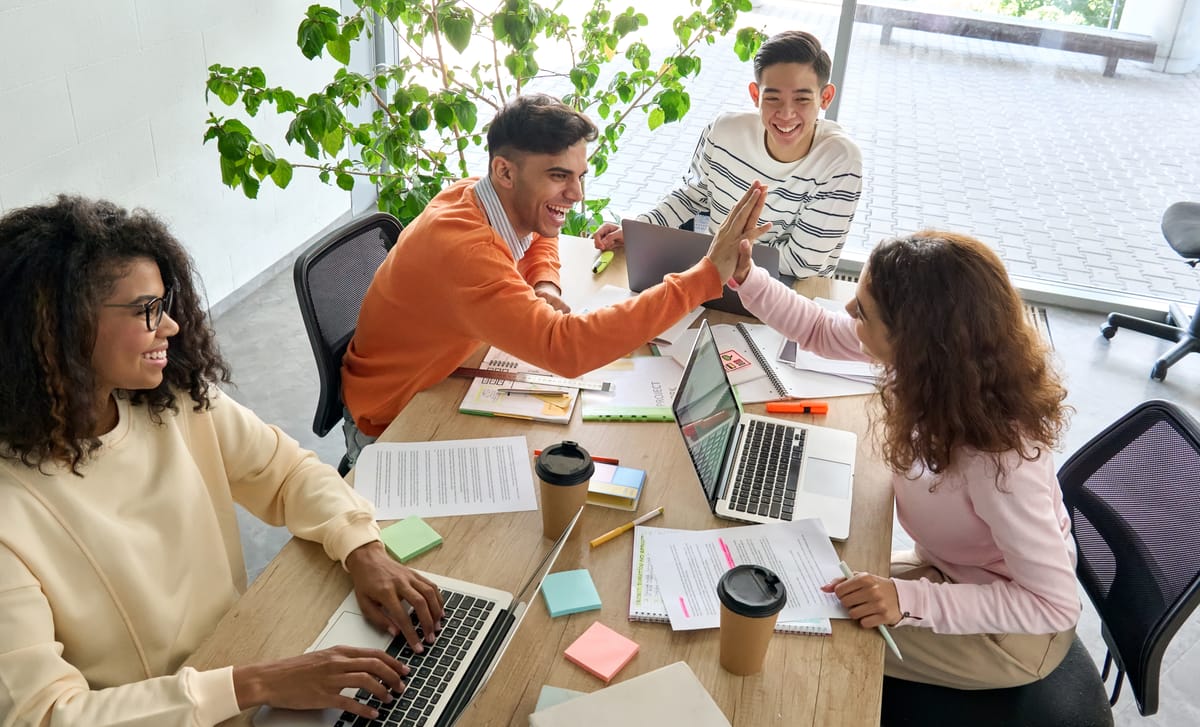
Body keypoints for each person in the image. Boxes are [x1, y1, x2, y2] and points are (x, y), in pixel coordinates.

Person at [0, 196, 446, 726]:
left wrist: (363, 548)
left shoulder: (175, 399)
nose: (170, 327)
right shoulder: (12, 509)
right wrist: (258, 682)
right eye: (148, 310)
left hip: (241, 665)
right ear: (58, 326)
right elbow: (45, 716)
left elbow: (287, 472)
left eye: (166, 305)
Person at [730, 230, 1080, 690]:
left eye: (863, 310)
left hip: (1012, 634)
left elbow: (1053, 605)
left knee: (801, 636)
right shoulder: (938, 369)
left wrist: (908, 598)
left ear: (914, 339)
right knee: (795, 591)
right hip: (948, 574)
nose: (849, 312)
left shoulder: (1000, 461)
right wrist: (746, 277)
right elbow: (817, 329)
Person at [340, 94, 770, 461]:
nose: (577, 194)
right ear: (505, 172)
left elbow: (539, 233)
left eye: (580, 176)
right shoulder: (463, 250)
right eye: (559, 176)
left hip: (445, 375)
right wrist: (705, 275)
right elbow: (566, 349)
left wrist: (543, 283)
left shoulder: (478, 195)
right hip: (392, 421)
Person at [592, 30, 863, 279]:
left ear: (825, 98)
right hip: (716, 277)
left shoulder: (840, 160)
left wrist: (720, 255)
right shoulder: (723, 131)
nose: (787, 113)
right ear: (755, 95)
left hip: (787, 292)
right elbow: (692, 196)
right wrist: (640, 229)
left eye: (802, 99)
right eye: (773, 98)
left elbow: (803, 264)